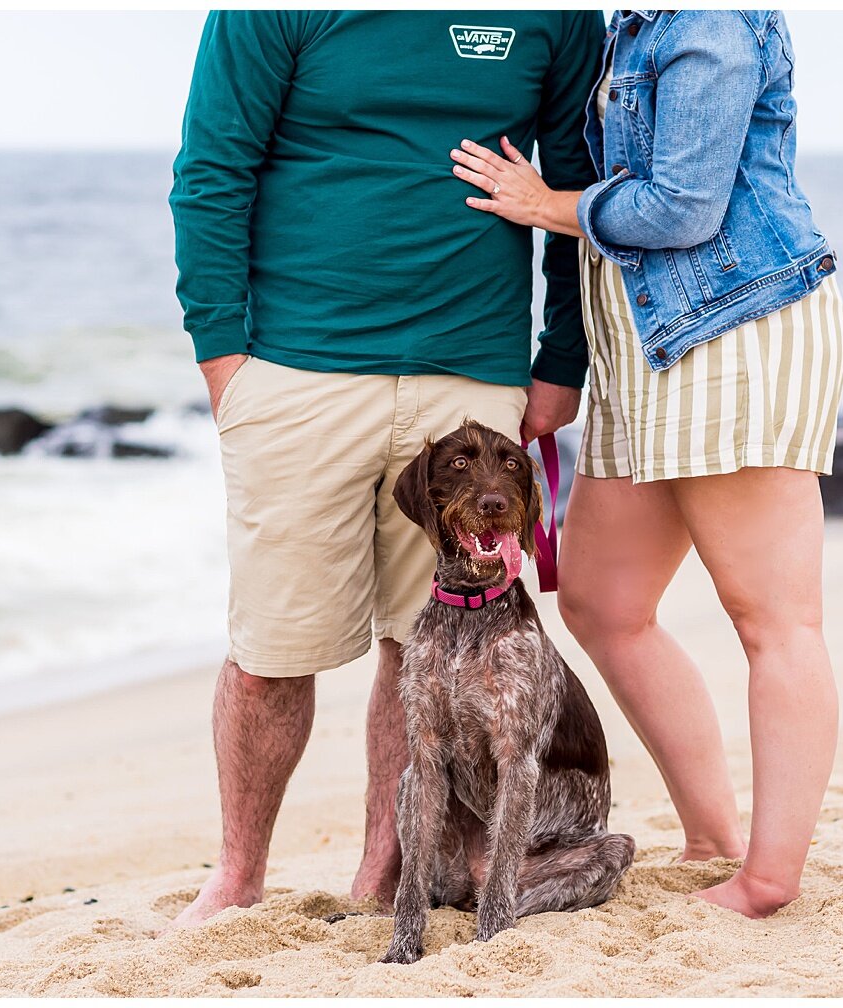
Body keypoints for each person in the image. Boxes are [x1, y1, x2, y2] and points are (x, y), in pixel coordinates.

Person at [168, 10, 603, 929]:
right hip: (300, 368)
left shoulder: (558, 16)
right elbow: (212, 172)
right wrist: (223, 361)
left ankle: (378, 879)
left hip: (472, 377)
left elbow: (573, 182)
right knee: (271, 652)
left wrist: (561, 360)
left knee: (428, 649)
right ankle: (238, 875)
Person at [448, 9, 843, 919]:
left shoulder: (709, 21)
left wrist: (546, 204)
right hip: (644, 341)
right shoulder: (631, 21)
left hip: (732, 332)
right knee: (601, 601)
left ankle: (769, 880)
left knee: (773, 620)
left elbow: (684, 205)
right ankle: (713, 836)